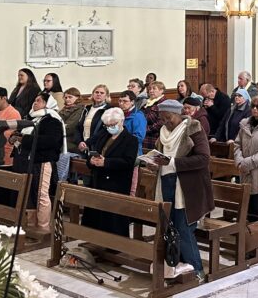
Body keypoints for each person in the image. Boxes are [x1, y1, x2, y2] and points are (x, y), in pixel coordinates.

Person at [153, 99, 214, 281]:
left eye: (169, 117)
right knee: (169, 227)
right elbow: (162, 158)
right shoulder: (163, 132)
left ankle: (197, 271)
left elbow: (204, 158)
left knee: (183, 228)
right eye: (162, 118)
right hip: (166, 182)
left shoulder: (193, 128)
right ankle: (175, 265)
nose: (166, 122)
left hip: (188, 187)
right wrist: (154, 164)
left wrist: (172, 162)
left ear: (178, 114)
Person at [81, 106, 138, 237]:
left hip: (116, 183)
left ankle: (113, 243)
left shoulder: (130, 140)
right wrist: (91, 161)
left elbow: (128, 162)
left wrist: (106, 162)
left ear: (121, 121)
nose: (110, 128)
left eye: (113, 124)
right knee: (96, 217)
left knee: (113, 220)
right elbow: (94, 153)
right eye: (107, 125)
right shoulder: (103, 135)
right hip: (98, 180)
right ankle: (95, 240)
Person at [13, 91, 65, 233]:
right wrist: (15, 137)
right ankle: (31, 226)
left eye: (39, 101)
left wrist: (24, 139)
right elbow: (22, 134)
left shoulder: (52, 120)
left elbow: (51, 141)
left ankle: (43, 227)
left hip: (42, 161)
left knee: (40, 194)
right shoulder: (31, 118)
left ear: (47, 104)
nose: (35, 103)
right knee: (29, 193)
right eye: (35, 100)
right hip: (27, 160)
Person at [72, 84, 109, 155]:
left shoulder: (108, 109)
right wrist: (79, 142)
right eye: (96, 92)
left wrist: (87, 142)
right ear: (93, 94)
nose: (98, 94)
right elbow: (78, 127)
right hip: (83, 146)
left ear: (106, 96)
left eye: (102, 93)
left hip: (98, 146)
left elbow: (104, 131)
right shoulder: (87, 108)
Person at [117, 90, 146, 155]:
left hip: (132, 151)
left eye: (125, 101)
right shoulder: (118, 114)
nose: (121, 103)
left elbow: (138, 138)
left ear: (132, 102)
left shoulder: (138, 116)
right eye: (120, 101)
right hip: (119, 150)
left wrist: (119, 140)